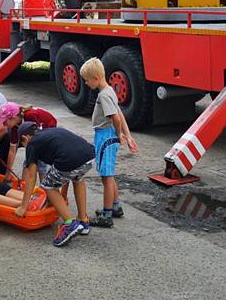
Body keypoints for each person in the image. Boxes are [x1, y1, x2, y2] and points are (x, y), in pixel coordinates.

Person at [79, 57, 139, 228]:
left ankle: (106, 215)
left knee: (106, 176)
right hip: (108, 135)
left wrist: (119, 134)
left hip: (105, 136)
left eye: (87, 79)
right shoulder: (110, 91)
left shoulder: (104, 96)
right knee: (109, 174)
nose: (85, 82)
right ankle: (115, 206)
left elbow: (115, 118)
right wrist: (127, 136)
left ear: (96, 78)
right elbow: (119, 114)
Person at [14, 125, 94, 247]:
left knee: (47, 185)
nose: (24, 147)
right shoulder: (49, 132)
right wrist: (60, 196)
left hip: (69, 159)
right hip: (88, 155)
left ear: (25, 138)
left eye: (22, 144)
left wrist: (23, 207)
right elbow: (65, 173)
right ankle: (83, 220)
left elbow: (31, 177)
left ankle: (70, 224)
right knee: (77, 178)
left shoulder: (32, 144)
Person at [0, 102, 57, 178]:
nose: (3, 125)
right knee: (28, 163)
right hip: (34, 136)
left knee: (41, 163)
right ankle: (24, 186)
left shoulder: (30, 116)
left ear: (13, 117)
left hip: (47, 130)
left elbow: (39, 139)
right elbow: (12, 150)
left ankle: (44, 186)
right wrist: (8, 172)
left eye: (4, 122)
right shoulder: (15, 126)